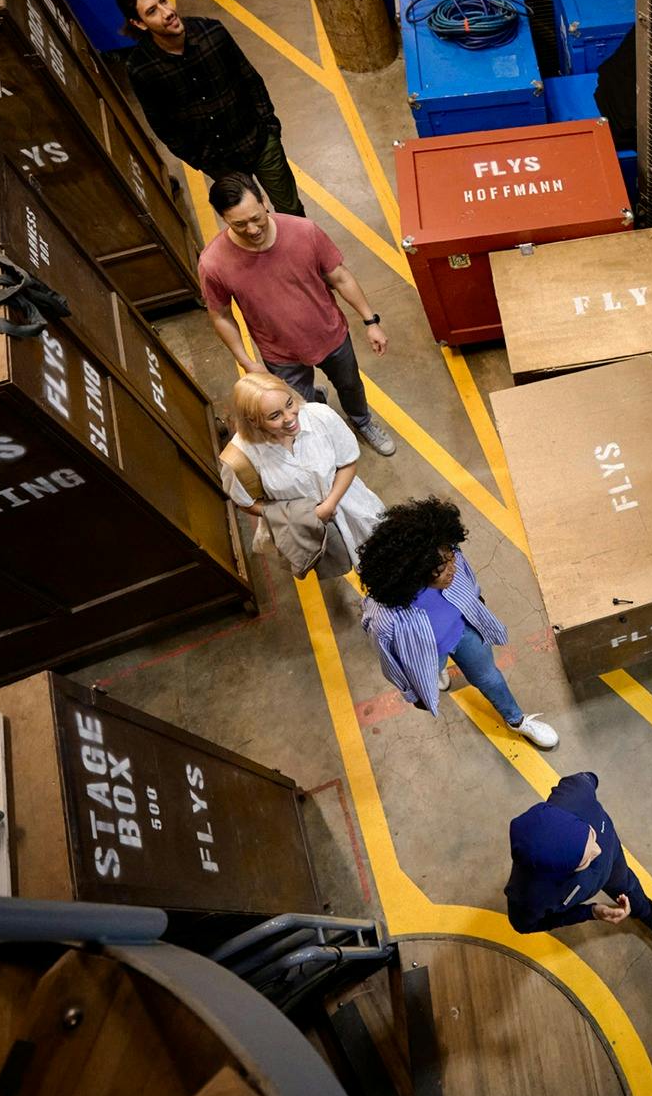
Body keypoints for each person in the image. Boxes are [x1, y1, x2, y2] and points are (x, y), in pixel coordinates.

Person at [200, 172, 397, 456]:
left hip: (331, 336)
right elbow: (220, 315)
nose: (253, 229)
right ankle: (320, 430)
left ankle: (362, 421)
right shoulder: (213, 262)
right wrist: (247, 362)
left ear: (263, 200)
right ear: (223, 218)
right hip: (280, 354)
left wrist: (370, 321)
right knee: (296, 409)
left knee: (351, 385)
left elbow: (340, 277)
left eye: (257, 217)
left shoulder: (304, 231)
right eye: (240, 224)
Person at [357, 497, 558, 750]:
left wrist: (476, 599)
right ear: (413, 573)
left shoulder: (450, 557)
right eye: (441, 569)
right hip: (427, 654)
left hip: (463, 633)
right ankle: (438, 670)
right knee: (435, 666)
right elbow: (390, 661)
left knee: (489, 677)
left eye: (450, 556)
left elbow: (468, 580)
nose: (452, 568)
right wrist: (412, 691)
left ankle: (515, 720)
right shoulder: (386, 619)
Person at [117, 0, 303, 216]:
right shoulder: (142, 69)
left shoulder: (213, 33)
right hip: (220, 162)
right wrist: (200, 158)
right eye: (152, 11)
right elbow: (162, 124)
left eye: (163, 0)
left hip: (259, 141)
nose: (167, 12)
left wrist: (270, 129)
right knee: (252, 217)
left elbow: (251, 80)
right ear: (139, 23)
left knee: (292, 211)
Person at [222, 372, 385, 570]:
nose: (290, 418)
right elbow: (246, 503)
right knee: (332, 562)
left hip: (348, 502)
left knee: (377, 554)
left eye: (289, 404)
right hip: (301, 527)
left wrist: (328, 505)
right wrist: (300, 515)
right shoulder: (240, 457)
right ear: (253, 421)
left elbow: (348, 463)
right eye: (275, 416)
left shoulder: (320, 416)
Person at [505, 772, 652, 947]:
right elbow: (525, 925)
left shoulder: (575, 792)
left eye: (590, 834)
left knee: (628, 885)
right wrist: (591, 912)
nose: (598, 849)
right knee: (625, 883)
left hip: (613, 865)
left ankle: (647, 912)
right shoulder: (531, 898)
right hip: (593, 878)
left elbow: (589, 778)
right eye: (585, 859)